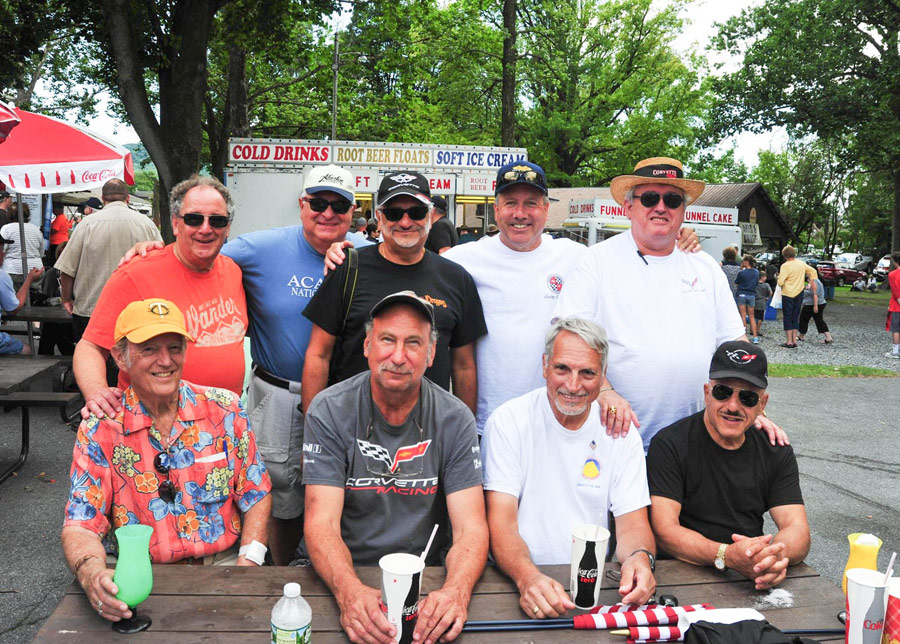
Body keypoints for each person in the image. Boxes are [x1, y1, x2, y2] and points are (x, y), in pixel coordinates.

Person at [61, 299, 272, 624]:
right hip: (142, 575)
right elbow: (81, 524)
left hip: (227, 565)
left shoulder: (224, 409)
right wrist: (91, 573)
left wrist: (250, 562)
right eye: (148, 349)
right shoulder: (102, 427)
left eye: (175, 347)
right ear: (120, 357)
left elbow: (256, 493)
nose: (165, 361)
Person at [301, 291, 488, 644]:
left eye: (413, 343)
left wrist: (455, 593)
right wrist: (350, 592)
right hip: (343, 572)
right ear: (367, 345)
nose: (398, 357)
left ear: (432, 354)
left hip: (426, 576)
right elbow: (320, 521)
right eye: (387, 340)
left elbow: (471, 528)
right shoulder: (329, 409)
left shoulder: (455, 418)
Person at [553, 157, 753, 450]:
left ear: (683, 211)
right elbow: (568, 339)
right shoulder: (596, 261)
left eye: (672, 199)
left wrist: (752, 401)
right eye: (649, 198)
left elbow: (735, 343)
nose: (660, 207)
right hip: (613, 435)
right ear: (628, 206)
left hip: (693, 440)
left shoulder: (705, 267)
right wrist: (605, 391)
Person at [220, 164, 360, 565]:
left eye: (339, 205)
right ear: (302, 204)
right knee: (275, 494)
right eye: (318, 202)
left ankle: (327, 576)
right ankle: (278, 576)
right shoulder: (258, 249)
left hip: (343, 399)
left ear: (353, 212)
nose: (328, 213)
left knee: (339, 493)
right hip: (275, 396)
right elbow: (196, 256)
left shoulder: (365, 256)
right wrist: (146, 250)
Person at [483, 318, 657, 618]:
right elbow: (501, 524)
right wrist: (528, 577)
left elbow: (633, 524)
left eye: (587, 373)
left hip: (593, 585)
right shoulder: (509, 421)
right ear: (544, 366)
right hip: (512, 579)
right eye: (562, 369)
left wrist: (640, 559)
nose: (573, 385)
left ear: (603, 376)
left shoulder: (620, 431)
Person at [301, 170, 486, 416]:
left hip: (429, 430)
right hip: (351, 425)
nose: (405, 222)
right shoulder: (348, 269)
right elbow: (318, 354)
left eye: (417, 212)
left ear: (431, 215)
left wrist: (466, 435)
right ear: (379, 217)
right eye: (394, 213)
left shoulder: (457, 279)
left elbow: (463, 366)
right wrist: (313, 431)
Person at [74, 175, 248, 419]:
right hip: (152, 425)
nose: (206, 229)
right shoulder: (136, 272)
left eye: (217, 220)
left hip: (223, 427)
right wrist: (97, 393)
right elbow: (90, 346)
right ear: (176, 223)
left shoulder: (235, 271)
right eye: (194, 219)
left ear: (227, 227)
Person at [647, 341, 810, 590]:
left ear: (762, 405)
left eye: (747, 397)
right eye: (723, 392)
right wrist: (725, 554)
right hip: (680, 575)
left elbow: (797, 527)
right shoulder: (670, 444)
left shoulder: (776, 449)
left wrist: (773, 556)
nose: (733, 406)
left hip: (749, 576)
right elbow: (664, 531)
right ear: (706, 393)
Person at [56, 178, 162, 343]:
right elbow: (161, 267)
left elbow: (67, 269)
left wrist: (66, 299)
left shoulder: (86, 225)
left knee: (93, 361)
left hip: (91, 309)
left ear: (103, 200)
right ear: (127, 199)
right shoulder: (147, 224)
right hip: (136, 311)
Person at [0, 235, 43, 355]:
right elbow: (13, 309)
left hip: (13, 269)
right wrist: (28, 280)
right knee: (27, 349)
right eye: (2, 249)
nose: (4, 254)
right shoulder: (1, 276)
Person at [776, 245, 818, 348]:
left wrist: (779, 279)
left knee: (787, 316)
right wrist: (809, 283)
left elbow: (780, 282)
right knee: (795, 316)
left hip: (788, 293)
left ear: (785, 255)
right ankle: (794, 340)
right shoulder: (801, 264)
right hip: (799, 293)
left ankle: (789, 341)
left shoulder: (785, 266)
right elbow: (813, 271)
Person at [0, 202, 45, 290]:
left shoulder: (6, 228)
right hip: (36, 269)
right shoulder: (35, 229)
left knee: (14, 300)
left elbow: (2, 249)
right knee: (34, 298)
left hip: (12, 270)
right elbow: (41, 251)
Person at [798, 276, 833, 343]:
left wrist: (815, 306)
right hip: (821, 302)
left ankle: (801, 335)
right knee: (819, 320)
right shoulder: (817, 280)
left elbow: (815, 294)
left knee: (804, 319)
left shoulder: (813, 281)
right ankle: (828, 337)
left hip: (811, 303)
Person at [735, 255, 760, 343]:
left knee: (743, 315)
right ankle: (755, 337)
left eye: (743, 261)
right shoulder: (757, 272)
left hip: (742, 294)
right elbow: (756, 283)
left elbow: (736, 283)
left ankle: (744, 336)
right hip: (752, 295)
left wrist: (742, 269)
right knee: (752, 316)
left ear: (746, 262)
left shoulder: (742, 273)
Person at [886, 252, 900, 359]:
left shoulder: (892, 274)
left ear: (895, 262)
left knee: (896, 329)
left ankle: (895, 352)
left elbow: (895, 291)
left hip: (896, 306)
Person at [754, 271, 773, 338]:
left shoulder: (755, 284)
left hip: (754, 301)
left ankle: (752, 329)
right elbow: (770, 292)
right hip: (762, 301)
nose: (766, 278)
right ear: (762, 277)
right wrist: (768, 298)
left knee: (753, 316)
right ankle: (757, 330)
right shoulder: (766, 285)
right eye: (765, 277)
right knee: (760, 317)